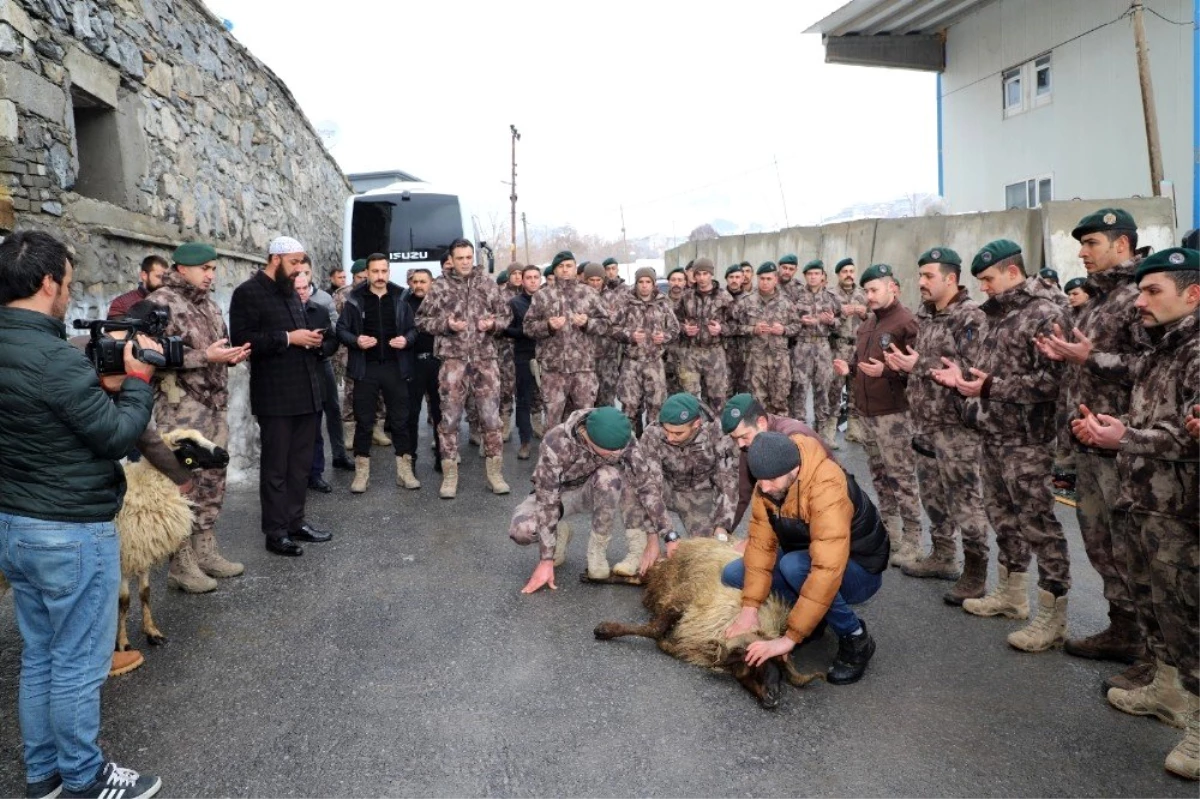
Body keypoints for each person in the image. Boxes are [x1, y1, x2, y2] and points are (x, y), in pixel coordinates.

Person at [0, 230, 164, 799]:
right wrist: (138, 385)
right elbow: (117, 435)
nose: (70, 295)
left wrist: (101, 387)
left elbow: (47, 415)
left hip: (16, 524)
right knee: (77, 663)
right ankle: (84, 778)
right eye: (68, 283)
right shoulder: (54, 360)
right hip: (70, 530)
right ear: (49, 284)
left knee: (41, 655)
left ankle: (43, 774)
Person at [1071, 247, 1200, 780]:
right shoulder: (1161, 348)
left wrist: (1128, 436)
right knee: (1158, 606)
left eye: (1153, 292)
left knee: (1189, 615)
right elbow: (1161, 419)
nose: (1141, 302)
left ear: (1192, 294)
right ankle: (1168, 689)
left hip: (1183, 508)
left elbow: (1188, 436)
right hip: (1146, 499)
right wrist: (1117, 425)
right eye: (1141, 290)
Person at [932, 239, 1070, 652]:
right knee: (1002, 518)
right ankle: (1012, 594)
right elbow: (986, 373)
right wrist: (966, 380)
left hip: (1027, 440)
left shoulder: (1044, 314)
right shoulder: (993, 317)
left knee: (1038, 525)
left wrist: (992, 385)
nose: (984, 287)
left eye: (989, 279)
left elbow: (1053, 382)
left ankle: (1053, 612)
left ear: (1013, 273)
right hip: (992, 433)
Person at [1034, 209, 1149, 671]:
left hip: (1122, 446)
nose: (1082, 252)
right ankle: (1123, 629)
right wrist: (1066, 357)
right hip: (1087, 442)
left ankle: (1154, 652)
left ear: (1121, 245)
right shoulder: (1098, 299)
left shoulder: (1139, 295)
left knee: (1131, 549)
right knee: (1100, 546)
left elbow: (1152, 367)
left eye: (1092, 243)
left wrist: (1092, 357)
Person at [721, 431, 887, 685]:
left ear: (795, 468)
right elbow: (760, 547)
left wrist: (789, 638)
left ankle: (855, 637)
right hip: (808, 554)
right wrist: (749, 608)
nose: (764, 487)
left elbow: (826, 569)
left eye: (771, 480)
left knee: (794, 567)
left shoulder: (827, 485)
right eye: (760, 480)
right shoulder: (768, 482)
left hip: (859, 569)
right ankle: (814, 618)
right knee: (734, 574)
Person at [882, 248, 992, 600]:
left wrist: (921, 364)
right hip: (926, 425)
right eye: (920, 276)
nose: (922, 283)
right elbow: (927, 365)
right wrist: (912, 365)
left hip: (957, 426)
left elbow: (974, 369)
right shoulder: (927, 317)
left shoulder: (970, 317)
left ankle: (975, 571)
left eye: (929, 276)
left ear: (951, 279)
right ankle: (943, 555)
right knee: (932, 495)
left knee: (965, 499)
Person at [145, 242, 250, 593]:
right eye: (204, 268)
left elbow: (216, 347)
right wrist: (205, 355)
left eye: (213, 269)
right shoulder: (159, 303)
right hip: (181, 408)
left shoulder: (209, 305)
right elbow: (150, 354)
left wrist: (230, 355)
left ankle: (205, 548)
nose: (210, 275)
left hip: (214, 405)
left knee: (213, 476)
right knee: (183, 480)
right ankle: (180, 562)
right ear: (182, 268)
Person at [229, 235, 332, 557]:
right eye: (295, 262)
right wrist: (289, 338)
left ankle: (295, 522)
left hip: (306, 392)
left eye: (302, 262)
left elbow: (297, 336)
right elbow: (243, 339)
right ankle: (275, 532)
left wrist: (310, 340)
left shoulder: (290, 291)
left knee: (300, 466)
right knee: (276, 467)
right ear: (276, 259)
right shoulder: (247, 293)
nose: (300, 268)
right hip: (275, 397)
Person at [508, 406, 674, 591]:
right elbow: (547, 501)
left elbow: (646, 486)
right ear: (587, 436)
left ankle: (597, 552)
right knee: (521, 531)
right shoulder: (555, 441)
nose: (618, 454)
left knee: (611, 476)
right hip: (558, 495)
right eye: (611, 452)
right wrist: (546, 560)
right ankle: (558, 532)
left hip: (594, 491)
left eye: (620, 449)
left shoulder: (620, 436)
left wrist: (669, 535)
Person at [833, 263, 923, 568]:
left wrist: (889, 370)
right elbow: (864, 362)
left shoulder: (906, 322)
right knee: (880, 477)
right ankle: (891, 533)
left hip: (894, 415)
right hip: (868, 412)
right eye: (866, 290)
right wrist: (851, 369)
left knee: (902, 478)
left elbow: (921, 372)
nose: (869, 296)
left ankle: (913, 539)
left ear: (892, 288)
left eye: (874, 290)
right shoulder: (868, 324)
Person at [416, 238, 514, 498]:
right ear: (452, 259)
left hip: (485, 359)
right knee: (448, 419)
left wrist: (492, 325)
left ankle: (495, 474)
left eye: (468, 257)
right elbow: (421, 320)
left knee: (491, 418)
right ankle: (449, 476)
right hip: (453, 361)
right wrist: (446, 324)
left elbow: (507, 316)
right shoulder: (440, 286)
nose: (465, 262)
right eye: (459, 258)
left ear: (474, 257)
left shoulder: (487, 284)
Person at [625, 393, 738, 576]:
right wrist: (663, 536)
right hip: (666, 490)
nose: (670, 438)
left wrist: (722, 526)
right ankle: (640, 550)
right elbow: (650, 488)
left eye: (677, 433)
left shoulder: (717, 433)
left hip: (698, 495)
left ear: (696, 424)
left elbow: (728, 483)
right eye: (666, 431)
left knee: (705, 558)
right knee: (632, 487)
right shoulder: (653, 434)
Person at [335, 253, 418, 493]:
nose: (380, 276)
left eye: (384, 271)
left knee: (401, 421)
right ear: (368, 273)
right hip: (366, 368)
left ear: (389, 272)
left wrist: (406, 340)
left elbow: (414, 329)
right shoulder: (354, 298)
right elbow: (341, 330)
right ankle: (362, 475)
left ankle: (405, 472)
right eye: (375, 272)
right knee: (364, 421)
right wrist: (356, 340)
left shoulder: (401, 295)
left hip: (395, 366)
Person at [523, 250, 610, 428]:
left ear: (575, 268)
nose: (565, 270)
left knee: (584, 420)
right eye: (560, 267)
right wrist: (548, 326)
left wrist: (588, 323)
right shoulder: (542, 296)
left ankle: (584, 455)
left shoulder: (589, 293)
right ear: (554, 271)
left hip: (583, 369)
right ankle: (553, 455)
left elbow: (606, 325)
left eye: (569, 266)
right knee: (553, 421)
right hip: (553, 370)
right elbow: (528, 327)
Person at [719, 393, 821, 533]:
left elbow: (810, 493)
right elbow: (742, 489)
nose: (740, 444)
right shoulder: (751, 442)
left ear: (761, 423)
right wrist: (724, 527)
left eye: (743, 437)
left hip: (822, 515)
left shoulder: (794, 439)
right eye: (735, 439)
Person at [611, 266, 680, 433]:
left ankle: (652, 443)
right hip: (631, 363)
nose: (644, 285)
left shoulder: (662, 304)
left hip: (654, 363)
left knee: (656, 407)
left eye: (648, 282)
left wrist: (664, 336)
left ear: (653, 284)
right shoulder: (626, 303)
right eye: (641, 282)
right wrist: (630, 335)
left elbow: (675, 329)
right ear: (636, 283)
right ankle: (631, 444)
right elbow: (612, 329)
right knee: (629, 407)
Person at [296, 271, 342, 493]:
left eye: (305, 288)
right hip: (292, 376)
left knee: (316, 424)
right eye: (297, 289)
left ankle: (315, 473)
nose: (302, 293)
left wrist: (321, 348)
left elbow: (334, 340)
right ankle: (296, 473)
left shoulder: (320, 311)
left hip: (316, 371)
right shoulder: (280, 313)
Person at [734, 262, 798, 415]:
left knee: (780, 401)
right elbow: (733, 327)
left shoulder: (787, 302)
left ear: (775, 280)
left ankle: (779, 436)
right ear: (757, 279)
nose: (765, 282)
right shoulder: (746, 301)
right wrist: (752, 329)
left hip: (779, 360)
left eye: (769, 279)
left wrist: (784, 329)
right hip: (756, 360)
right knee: (757, 403)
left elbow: (797, 326)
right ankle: (760, 437)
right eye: (762, 278)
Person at [792, 259, 843, 447]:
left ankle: (821, 437)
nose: (813, 277)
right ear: (805, 276)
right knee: (799, 390)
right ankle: (798, 435)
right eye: (810, 274)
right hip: (802, 347)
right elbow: (789, 322)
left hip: (822, 347)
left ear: (822, 276)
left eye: (816, 273)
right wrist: (801, 322)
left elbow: (841, 323)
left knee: (823, 390)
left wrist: (831, 322)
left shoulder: (831, 298)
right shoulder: (796, 296)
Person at [675, 257, 733, 413]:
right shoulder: (686, 296)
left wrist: (722, 328)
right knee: (690, 398)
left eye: (705, 273)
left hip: (714, 353)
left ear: (711, 274)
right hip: (691, 353)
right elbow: (674, 322)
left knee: (717, 398)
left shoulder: (724, 297)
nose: (701, 278)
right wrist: (684, 329)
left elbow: (736, 325)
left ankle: (716, 432)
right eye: (698, 274)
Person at [402, 268, 444, 474]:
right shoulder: (404, 305)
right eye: (415, 281)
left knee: (440, 414)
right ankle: (410, 460)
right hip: (413, 363)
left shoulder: (441, 304)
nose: (418, 285)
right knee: (411, 414)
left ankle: (442, 459)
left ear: (432, 283)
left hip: (438, 364)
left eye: (423, 281)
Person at [504, 264, 541, 460]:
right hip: (524, 356)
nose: (533, 280)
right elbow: (505, 329)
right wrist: (526, 332)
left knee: (551, 401)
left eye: (536, 277)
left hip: (550, 356)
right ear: (523, 281)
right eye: (529, 277)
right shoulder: (515, 303)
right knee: (524, 400)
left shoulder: (549, 299)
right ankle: (525, 442)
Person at [831, 258, 869, 442]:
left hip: (858, 347)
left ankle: (854, 431)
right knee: (834, 390)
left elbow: (875, 318)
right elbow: (825, 321)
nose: (849, 274)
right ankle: (828, 434)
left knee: (856, 390)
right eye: (845, 271)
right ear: (838, 274)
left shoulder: (864, 294)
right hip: (838, 346)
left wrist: (864, 314)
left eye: (851, 271)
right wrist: (840, 313)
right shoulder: (830, 294)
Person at [107, 254, 168, 320]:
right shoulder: (121, 303)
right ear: (144, 275)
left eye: (166, 277)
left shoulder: (171, 301)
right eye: (158, 276)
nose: (163, 281)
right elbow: (114, 329)